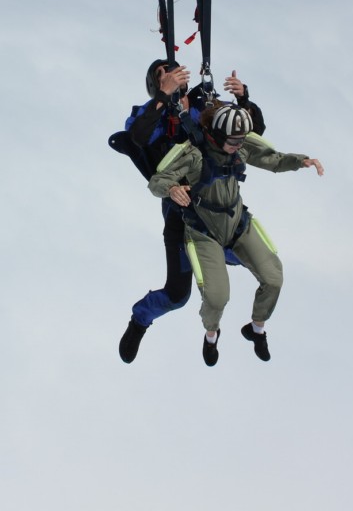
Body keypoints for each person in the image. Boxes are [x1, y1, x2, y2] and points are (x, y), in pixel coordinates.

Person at [148, 104, 324, 366]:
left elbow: (272, 159)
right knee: (217, 298)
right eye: (233, 141)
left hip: (238, 223)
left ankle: (256, 329)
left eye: (241, 140)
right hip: (204, 231)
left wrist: (300, 161)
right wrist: (172, 189)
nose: (238, 145)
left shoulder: (240, 147)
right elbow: (157, 181)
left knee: (273, 278)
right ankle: (211, 336)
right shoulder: (193, 153)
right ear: (217, 135)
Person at [114, 60, 265, 364]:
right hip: (182, 215)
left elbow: (251, 131)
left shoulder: (205, 105)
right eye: (162, 74)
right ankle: (140, 319)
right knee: (177, 295)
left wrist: (244, 98)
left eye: (173, 70)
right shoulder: (150, 115)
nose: (171, 75)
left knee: (258, 261)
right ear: (156, 83)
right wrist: (162, 96)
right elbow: (137, 138)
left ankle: (250, 328)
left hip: (220, 208)